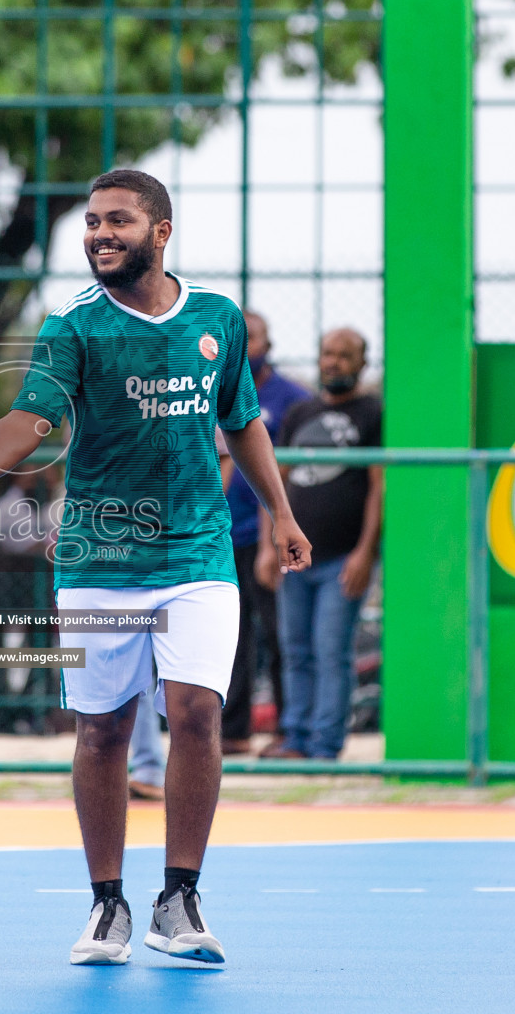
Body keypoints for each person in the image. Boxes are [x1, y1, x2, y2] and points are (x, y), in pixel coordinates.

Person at [0, 169, 311, 967]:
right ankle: (107, 906)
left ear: (161, 231)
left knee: (197, 711)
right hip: (100, 556)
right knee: (102, 730)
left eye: (119, 221)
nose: (100, 234)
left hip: (197, 552)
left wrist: (282, 511)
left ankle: (180, 897)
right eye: (93, 222)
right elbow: (33, 416)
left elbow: (242, 423)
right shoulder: (74, 327)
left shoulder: (217, 319)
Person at [256, 328, 382, 761]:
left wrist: (365, 553)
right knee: (296, 651)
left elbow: (378, 489)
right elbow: (274, 483)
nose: (334, 362)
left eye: (345, 355)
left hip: (343, 559)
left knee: (331, 651)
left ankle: (324, 746)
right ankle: (295, 739)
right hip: (296, 559)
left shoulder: (374, 413)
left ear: (362, 364)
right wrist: (268, 547)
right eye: (328, 353)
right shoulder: (299, 413)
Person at [216, 311, 311, 755]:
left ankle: (288, 729)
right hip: (220, 535)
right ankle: (232, 731)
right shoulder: (207, 388)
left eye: (253, 338)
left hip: (265, 537)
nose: (247, 347)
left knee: (279, 634)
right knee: (228, 638)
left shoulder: (293, 400)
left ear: (269, 343)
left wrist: (277, 532)